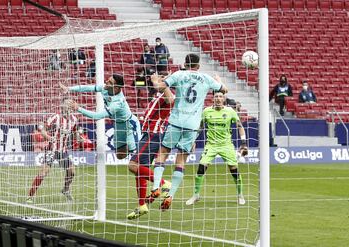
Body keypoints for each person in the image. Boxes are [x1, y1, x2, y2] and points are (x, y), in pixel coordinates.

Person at [149, 53, 228, 211]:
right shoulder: (206, 78)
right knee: (181, 161)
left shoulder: (179, 74)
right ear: (198, 66)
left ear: (185, 64)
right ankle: (170, 195)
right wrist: (219, 81)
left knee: (163, 153)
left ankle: (156, 187)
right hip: (192, 125)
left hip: (176, 121)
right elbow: (224, 90)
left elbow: (160, 88)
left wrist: (155, 80)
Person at [186, 92, 247, 206]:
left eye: (220, 97)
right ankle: (196, 195)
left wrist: (244, 143)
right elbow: (200, 127)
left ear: (224, 99)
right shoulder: (206, 111)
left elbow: (240, 126)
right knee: (201, 168)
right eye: (216, 97)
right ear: (212, 99)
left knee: (234, 170)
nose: (218, 99)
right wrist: (192, 140)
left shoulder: (230, 111)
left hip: (226, 145)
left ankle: (240, 195)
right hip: (211, 145)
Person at [126, 77, 174, 220]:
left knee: (133, 165)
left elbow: (170, 99)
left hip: (153, 135)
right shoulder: (159, 94)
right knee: (140, 171)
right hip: (148, 134)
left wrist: (156, 81)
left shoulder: (168, 94)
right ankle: (142, 205)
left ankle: (164, 183)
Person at [61, 74, 139, 159]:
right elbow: (87, 88)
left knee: (138, 157)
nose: (106, 82)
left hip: (129, 126)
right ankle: (132, 147)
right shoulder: (105, 88)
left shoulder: (117, 103)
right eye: (108, 80)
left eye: (110, 82)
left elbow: (97, 116)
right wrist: (69, 89)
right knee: (120, 156)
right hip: (118, 126)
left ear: (116, 88)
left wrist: (78, 108)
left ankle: (138, 146)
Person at [27, 98, 78, 203]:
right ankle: (30, 196)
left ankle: (66, 189)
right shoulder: (55, 117)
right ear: (62, 106)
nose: (68, 106)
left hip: (63, 151)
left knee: (72, 171)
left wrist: (78, 138)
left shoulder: (74, 120)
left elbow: (75, 132)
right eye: (66, 103)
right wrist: (48, 137)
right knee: (44, 172)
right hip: (51, 149)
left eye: (70, 104)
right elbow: (42, 127)